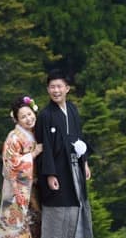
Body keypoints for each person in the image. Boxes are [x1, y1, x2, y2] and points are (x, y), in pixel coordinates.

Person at [35, 70, 92, 238]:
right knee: (58, 210)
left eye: (59, 86)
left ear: (67, 88)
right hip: (57, 170)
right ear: (47, 90)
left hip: (75, 167)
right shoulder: (45, 115)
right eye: (52, 87)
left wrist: (85, 162)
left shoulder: (73, 110)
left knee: (78, 206)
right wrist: (50, 174)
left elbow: (79, 138)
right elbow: (44, 147)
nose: (56, 91)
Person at [0, 95, 44, 238]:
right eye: (23, 117)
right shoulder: (14, 137)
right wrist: (33, 154)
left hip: (37, 187)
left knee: (39, 227)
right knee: (22, 227)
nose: (28, 119)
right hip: (19, 189)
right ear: (17, 120)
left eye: (29, 114)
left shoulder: (38, 132)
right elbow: (10, 165)